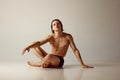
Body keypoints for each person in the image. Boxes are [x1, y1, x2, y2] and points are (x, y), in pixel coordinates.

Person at [22, 19, 93, 68]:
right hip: (49, 57)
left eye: (58, 23)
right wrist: (28, 47)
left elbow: (75, 50)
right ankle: (46, 63)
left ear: (61, 26)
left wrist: (82, 64)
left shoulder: (68, 36)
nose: (56, 25)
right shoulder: (51, 37)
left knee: (49, 56)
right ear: (52, 28)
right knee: (34, 45)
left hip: (59, 60)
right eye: (54, 24)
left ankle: (38, 64)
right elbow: (40, 42)